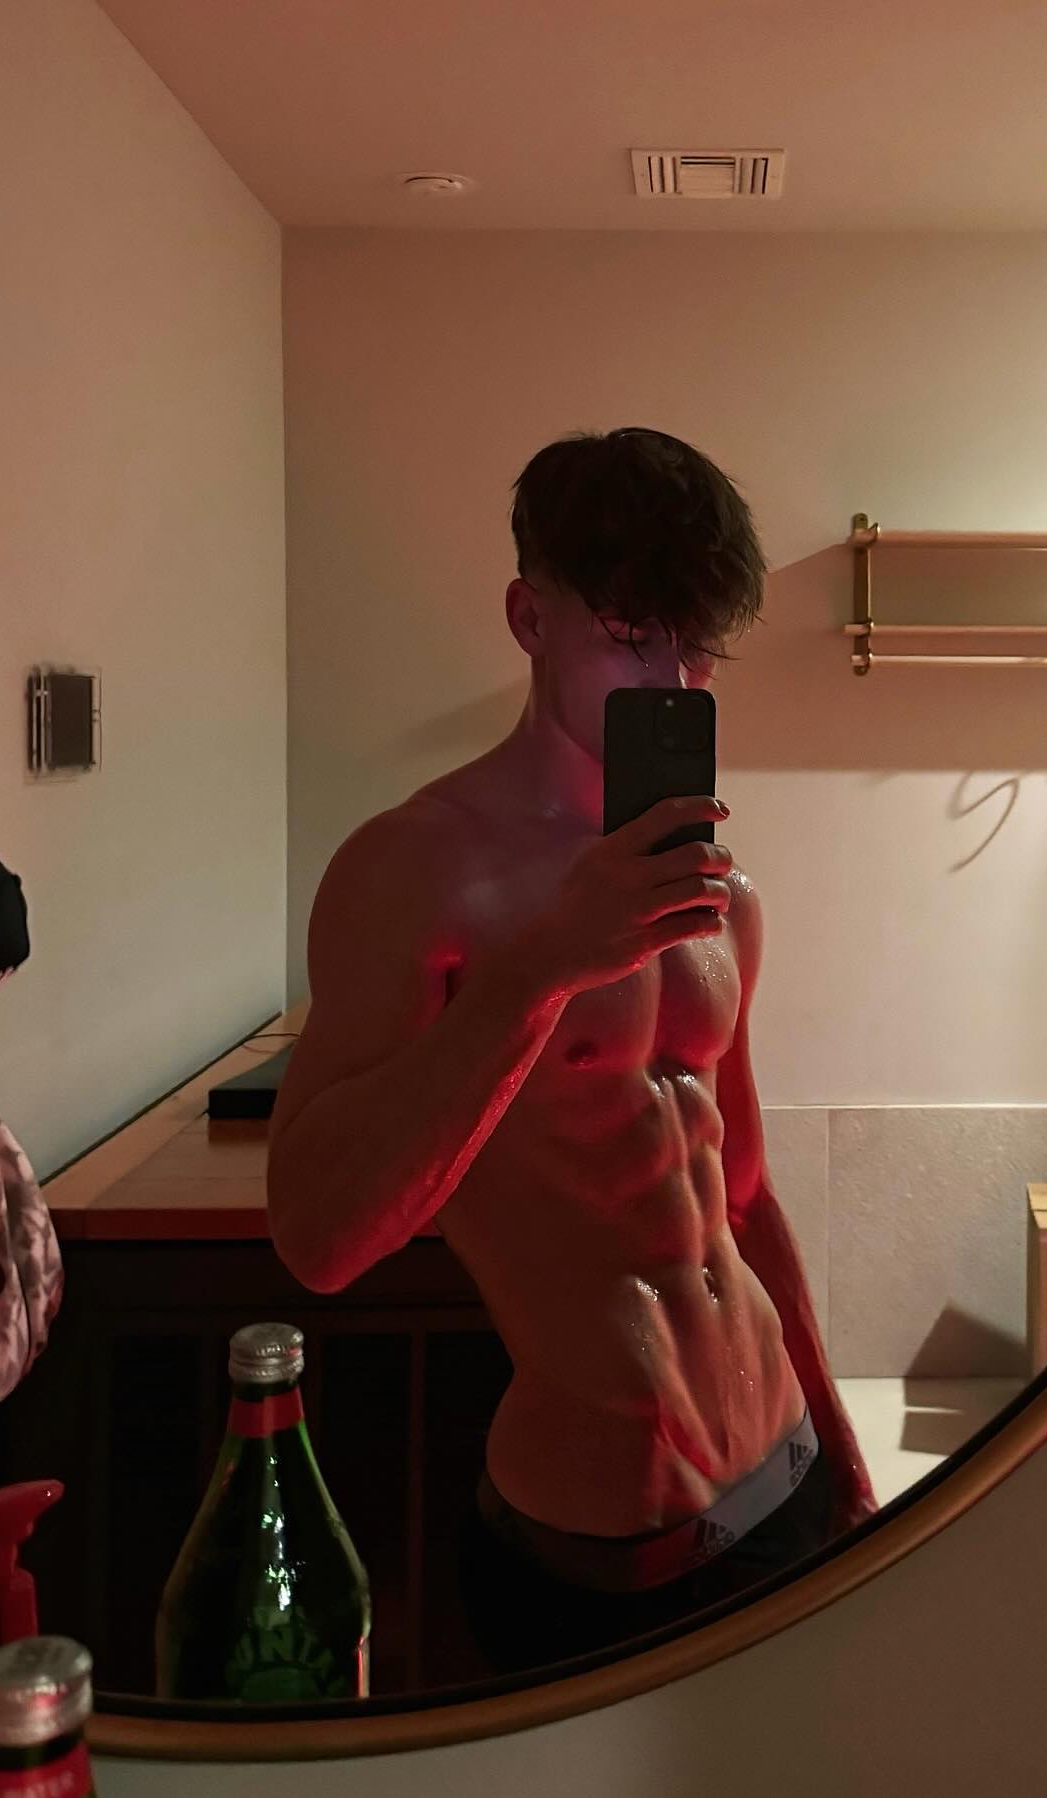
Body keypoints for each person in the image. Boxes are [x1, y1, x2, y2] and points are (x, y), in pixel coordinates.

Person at [267, 426, 877, 1673]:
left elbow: (742, 1192)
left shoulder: (719, 892)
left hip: (792, 1470)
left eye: (698, 648)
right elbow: (319, 1239)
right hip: (605, 1546)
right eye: (635, 637)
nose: (676, 683)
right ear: (528, 618)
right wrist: (546, 965)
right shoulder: (413, 870)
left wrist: (846, 1449)